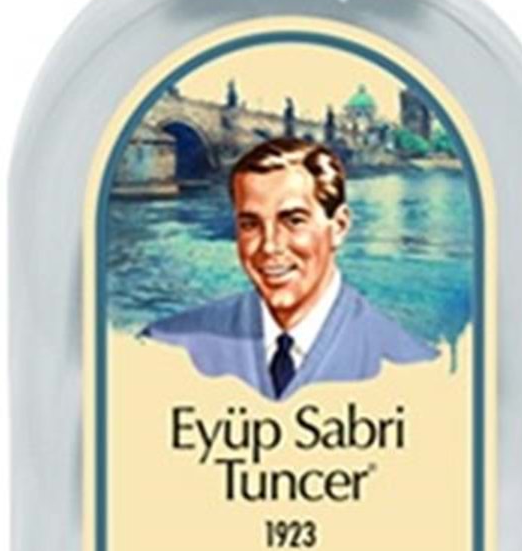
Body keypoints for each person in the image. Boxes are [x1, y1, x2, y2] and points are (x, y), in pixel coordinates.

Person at [142, 138, 437, 398]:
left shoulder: (412, 369)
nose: (269, 246)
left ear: (339, 227)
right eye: (250, 225)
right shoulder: (165, 347)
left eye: (294, 221)